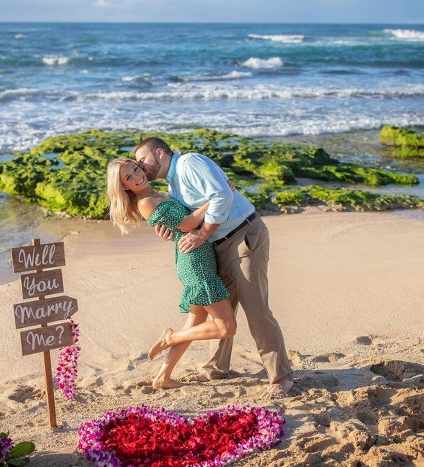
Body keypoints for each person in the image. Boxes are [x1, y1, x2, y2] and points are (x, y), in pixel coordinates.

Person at [133, 137, 294, 396]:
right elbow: (189, 217)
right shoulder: (173, 184)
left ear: (159, 152)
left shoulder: (189, 163)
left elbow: (221, 196)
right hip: (215, 246)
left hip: (243, 236)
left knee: (256, 309)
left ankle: (281, 377)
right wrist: (169, 229)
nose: (141, 167)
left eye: (142, 160)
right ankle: (216, 368)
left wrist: (203, 233)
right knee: (222, 308)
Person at [106, 158, 237, 390]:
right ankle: (170, 337)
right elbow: (187, 224)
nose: (137, 176)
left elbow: (178, 227)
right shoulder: (145, 202)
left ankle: (162, 377)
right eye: (129, 178)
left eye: (135, 169)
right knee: (227, 328)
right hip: (195, 263)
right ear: (124, 187)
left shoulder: (159, 193)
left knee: (194, 323)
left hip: (197, 256)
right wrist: (216, 197)